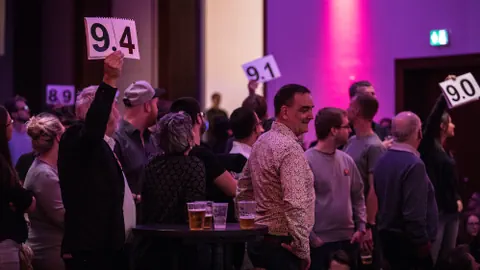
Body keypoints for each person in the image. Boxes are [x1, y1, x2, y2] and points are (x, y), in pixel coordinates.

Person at [58, 51, 135, 270]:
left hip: (111, 248)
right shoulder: (76, 138)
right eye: (113, 103)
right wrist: (109, 80)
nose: (117, 108)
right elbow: (93, 129)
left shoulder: (107, 143)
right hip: (91, 252)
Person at [236, 84, 315, 270]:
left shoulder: (262, 141)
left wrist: (249, 227)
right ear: (285, 112)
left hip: (260, 242)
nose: (311, 116)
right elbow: (295, 204)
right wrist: (303, 249)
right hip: (284, 246)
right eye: (304, 110)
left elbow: (243, 190)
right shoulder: (289, 149)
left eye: (311, 109)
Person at [136, 112, 206, 270]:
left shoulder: (152, 165)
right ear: (188, 137)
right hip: (182, 248)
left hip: (151, 247)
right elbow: (194, 208)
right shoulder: (194, 165)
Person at [374, 111, 437, 270]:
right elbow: (413, 213)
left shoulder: (382, 159)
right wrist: (422, 241)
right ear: (419, 132)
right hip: (410, 247)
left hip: (387, 242)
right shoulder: (414, 165)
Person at [305, 107, 366, 270]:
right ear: (333, 130)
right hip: (320, 243)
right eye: (346, 126)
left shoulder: (347, 160)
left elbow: (358, 196)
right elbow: (299, 205)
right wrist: (312, 238)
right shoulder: (307, 161)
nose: (350, 130)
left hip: (348, 240)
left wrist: (361, 227)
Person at [418, 76, 462, 265]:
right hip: (438, 212)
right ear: (443, 126)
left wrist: (457, 198)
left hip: (451, 210)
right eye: (451, 122)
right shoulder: (429, 146)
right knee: (433, 259)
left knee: (448, 260)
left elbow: (450, 181)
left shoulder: (445, 150)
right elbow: (433, 118)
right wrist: (444, 95)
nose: (454, 126)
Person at [343, 93, 386, 263]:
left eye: (350, 106)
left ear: (357, 111)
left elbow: (374, 189)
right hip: (349, 216)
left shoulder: (374, 146)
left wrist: (368, 225)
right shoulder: (352, 140)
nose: (347, 109)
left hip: (362, 221)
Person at [24, 113, 65, 270]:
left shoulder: (47, 169)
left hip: (53, 250)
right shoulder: (44, 174)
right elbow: (63, 218)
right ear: (58, 137)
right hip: (49, 254)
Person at [0, 105, 36, 270]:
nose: (12, 127)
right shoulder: (2, 166)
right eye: (9, 124)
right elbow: (27, 202)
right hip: (4, 243)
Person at [114, 80, 161, 201]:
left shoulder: (152, 138)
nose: (158, 110)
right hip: (130, 217)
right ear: (147, 106)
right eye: (156, 105)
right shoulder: (116, 139)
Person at [4, 95, 32, 165]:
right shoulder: (7, 135)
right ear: (14, 114)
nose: (27, 110)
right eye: (23, 108)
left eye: (27, 107)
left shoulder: (33, 133)